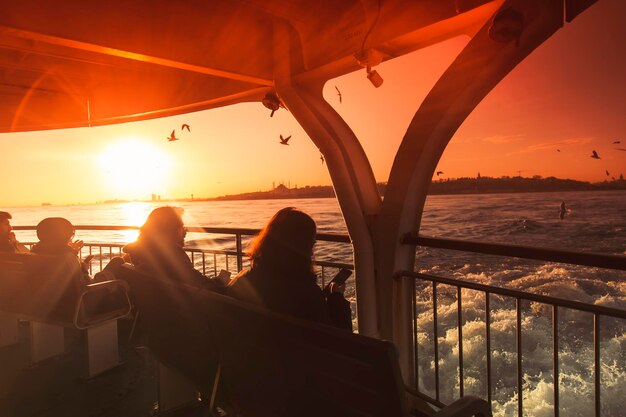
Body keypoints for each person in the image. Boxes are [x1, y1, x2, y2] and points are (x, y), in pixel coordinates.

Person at [227, 207, 352, 331]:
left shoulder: (243, 281)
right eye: (312, 244)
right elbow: (341, 341)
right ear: (304, 247)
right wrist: (336, 298)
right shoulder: (306, 294)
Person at [122, 206, 216, 289]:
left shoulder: (136, 254)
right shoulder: (173, 255)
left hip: (152, 304)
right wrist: (220, 283)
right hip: (180, 306)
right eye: (182, 227)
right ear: (170, 230)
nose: (185, 232)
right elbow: (197, 282)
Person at [30, 217, 92, 283]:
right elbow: (84, 282)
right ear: (67, 235)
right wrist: (84, 268)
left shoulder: (33, 253)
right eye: (72, 234)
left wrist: (73, 251)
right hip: (77, 292)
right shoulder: (68, 258)